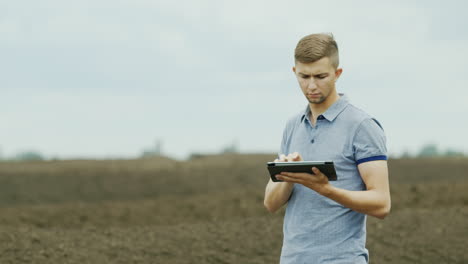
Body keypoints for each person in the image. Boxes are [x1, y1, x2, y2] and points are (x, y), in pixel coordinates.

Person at [263, 33, 391, 264]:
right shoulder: (293, 125)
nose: (311, 85)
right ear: (295, 73)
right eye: (304, 76)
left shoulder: (362, 126)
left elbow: (382, 204)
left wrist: (326, 189)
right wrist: (290, 177)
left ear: (337, 73)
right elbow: (270, 204)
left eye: (320, 76)